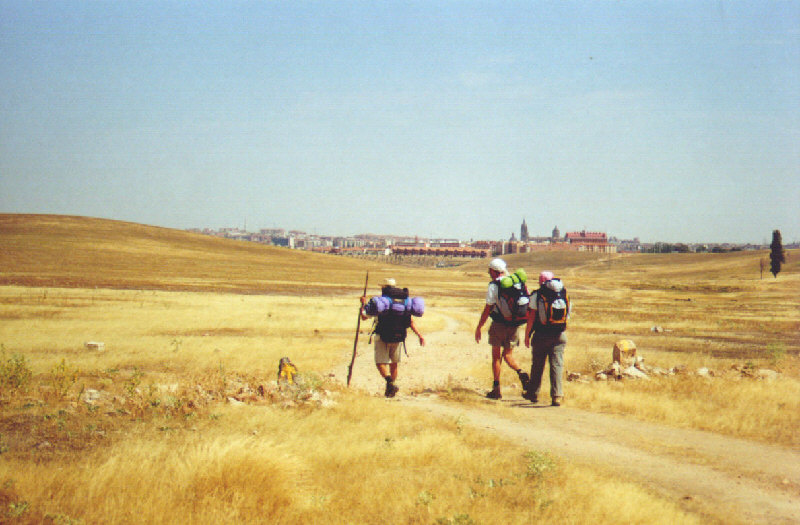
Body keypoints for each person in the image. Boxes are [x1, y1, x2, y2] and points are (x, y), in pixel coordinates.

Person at [475, 258, 529, 399]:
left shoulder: (494, 285)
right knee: (508, 355)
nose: (488, 272)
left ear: (494, 271)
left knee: (496, 357)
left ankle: (496, 389)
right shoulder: (517, 283)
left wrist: (479, 326)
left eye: (489, 270)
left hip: (499, 324)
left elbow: (488, 309)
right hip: (515, 325)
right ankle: (520, 372)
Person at [360, 278, 425, 397]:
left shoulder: (382, 303)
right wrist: (419, 335)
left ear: (384, 288)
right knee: (394, 364)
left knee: (380, 362)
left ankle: (389, 382)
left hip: (382, 335)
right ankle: (390, 389)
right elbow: (410, 321)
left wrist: (363, 305)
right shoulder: (404, 302)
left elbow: (364, 317)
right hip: (399, 337)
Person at [524, 271, 570, 406]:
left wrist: (527, 335)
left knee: (538, 365)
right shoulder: (564, 294)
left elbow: (531, 317)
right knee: (557, 365)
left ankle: (533, 393)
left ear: (541, 281)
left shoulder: (537, 295)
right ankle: (557, 396)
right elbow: (567, 316)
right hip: (559, 334)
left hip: (541, 334)